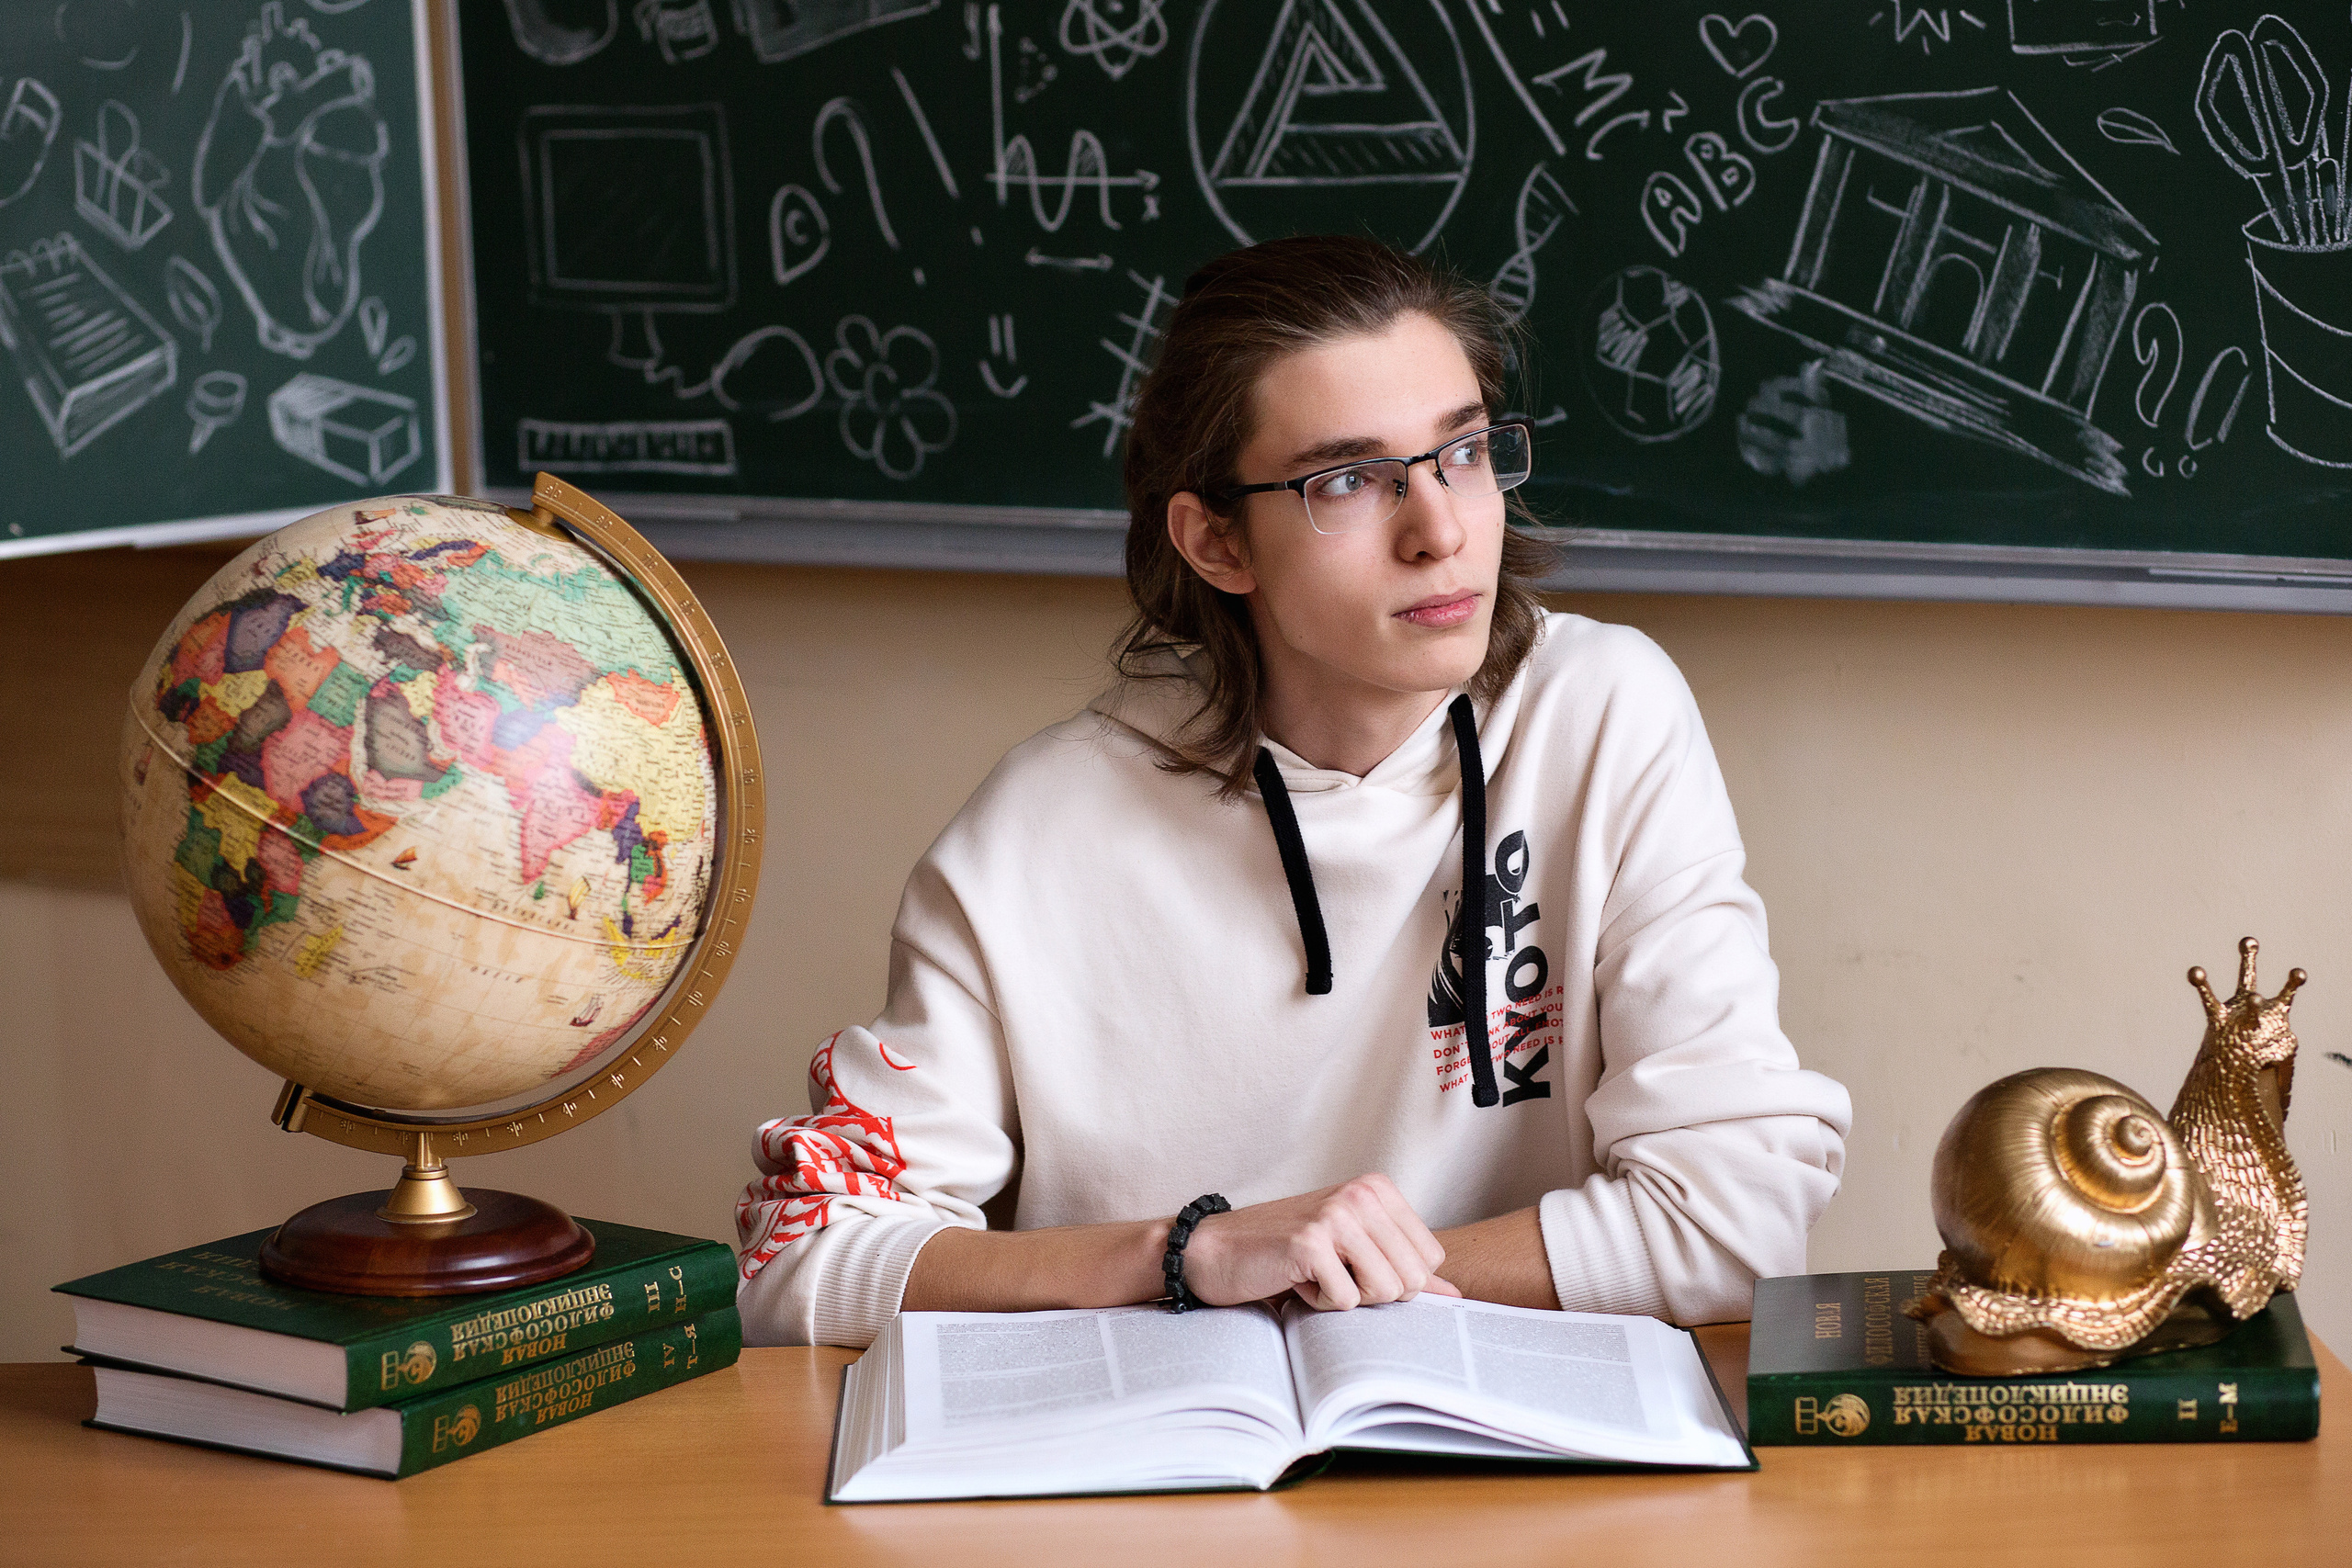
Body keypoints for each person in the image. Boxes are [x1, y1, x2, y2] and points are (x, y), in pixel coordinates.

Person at [735, 235, 1851, 1348]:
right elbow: (798, 1256)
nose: (1440, 532)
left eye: (1463, 453)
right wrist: (1188, 1256)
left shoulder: (1601, 715)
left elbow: (1734, 1224)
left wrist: (1316, 1282)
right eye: (1348, 480)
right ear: (1217, 542)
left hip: (1506, 1442)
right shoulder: (1040, 827)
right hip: (1160, 1450)